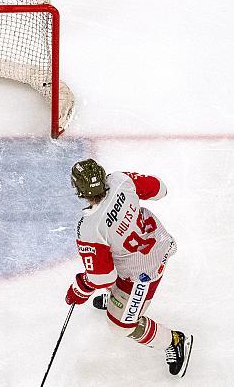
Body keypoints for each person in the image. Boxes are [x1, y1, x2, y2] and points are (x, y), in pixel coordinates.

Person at [65, 158, 192, 377]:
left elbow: (102, 278)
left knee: (120, 325)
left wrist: (80, 288)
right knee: (112, 255)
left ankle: (174, 340)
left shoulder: (89, 228)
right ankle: (117, 297)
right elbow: (159, 189)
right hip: (158, 240)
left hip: (142, 274)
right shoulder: (120, 180)